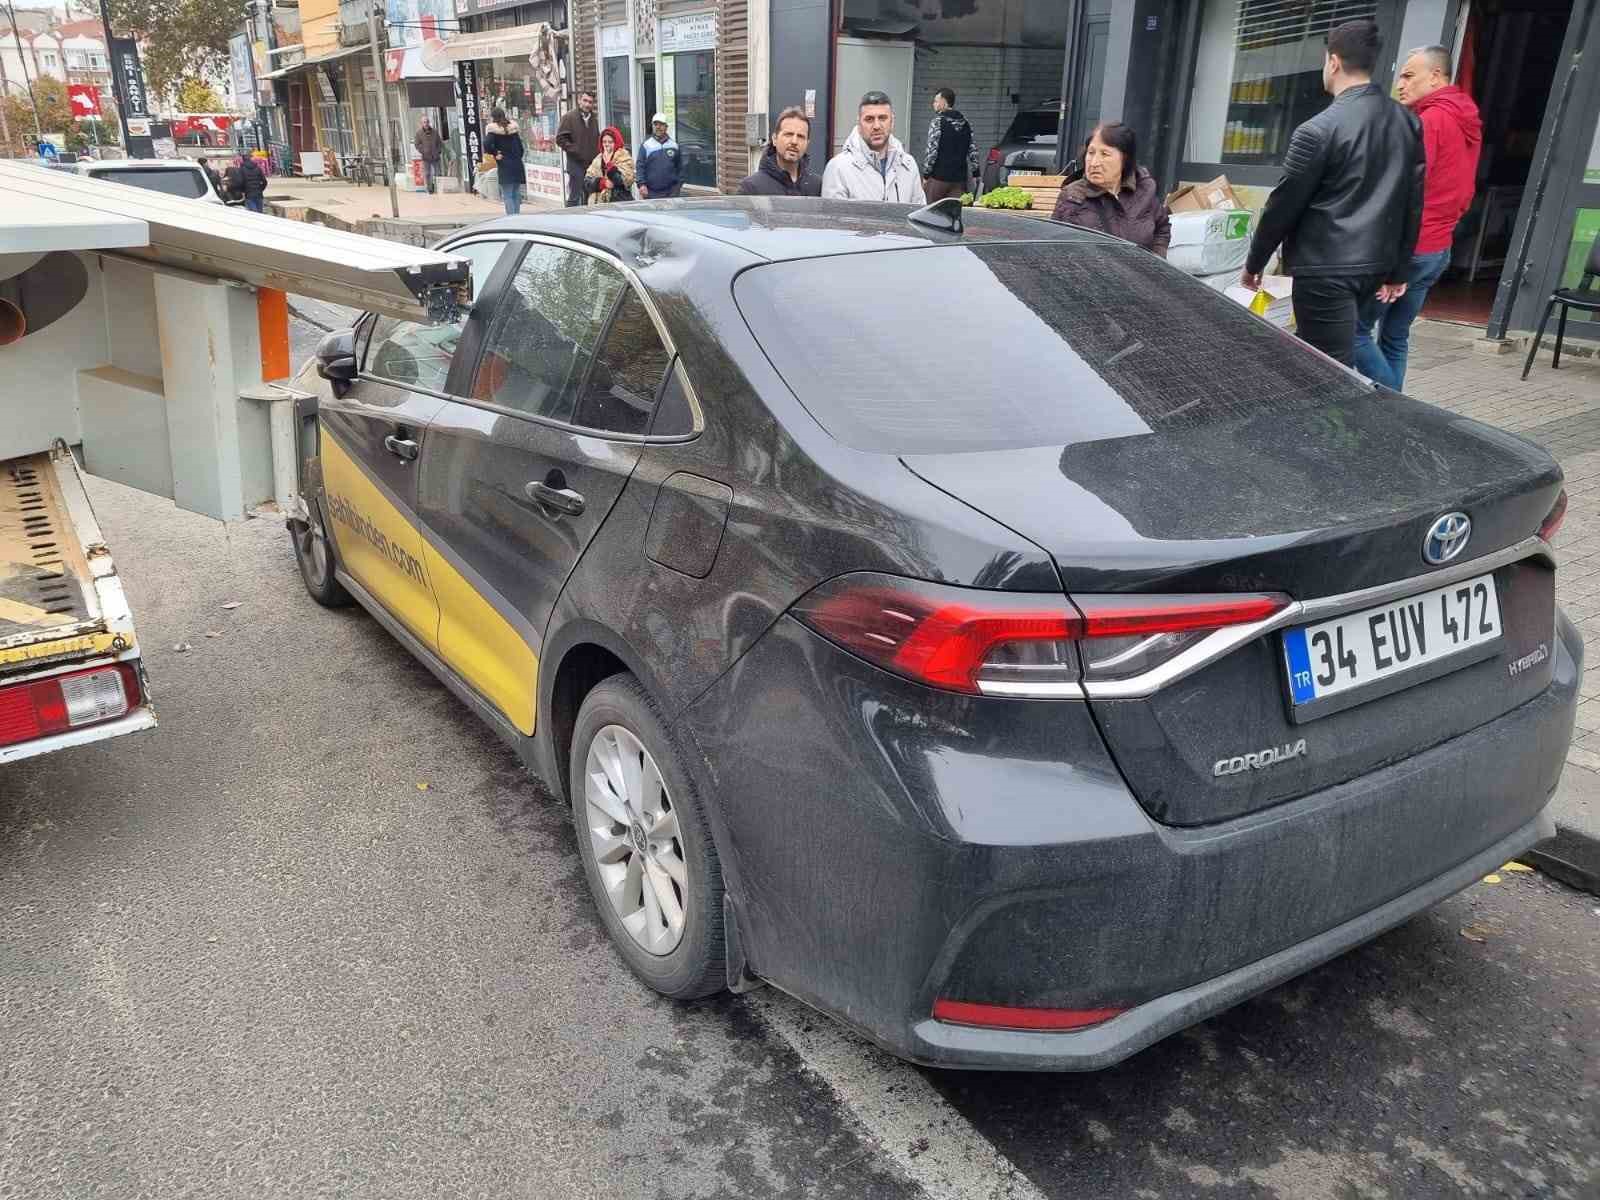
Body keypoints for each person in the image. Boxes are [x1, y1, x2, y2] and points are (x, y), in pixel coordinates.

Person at [1241, 19, 1424, 366]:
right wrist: (1400, 270)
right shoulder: (1408, 122)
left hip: (1326, 269)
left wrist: (1254, 264)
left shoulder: (1318, 130)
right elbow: (1413, 202)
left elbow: (1283, 206)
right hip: (1375, 264)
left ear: (1334, 62)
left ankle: (1369, 417)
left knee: (1326, 369)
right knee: (1345, 353)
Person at [1353, 44, 1482, 390]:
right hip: (1437, 248)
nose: (1400, 84)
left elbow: (1402, 192)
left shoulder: (1431, 121)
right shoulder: (1465, 117)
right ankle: (1394, 410)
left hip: (1410, 250)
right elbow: (1464, 190)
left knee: (1353, 332)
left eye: (1409, 76)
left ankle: (1394, 411)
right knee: (1395, 337)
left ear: (1436, 76)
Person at [1051, 123, 1171, 257]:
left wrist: (1156, 263)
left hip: (1138, 276)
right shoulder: (1073, 197)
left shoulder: (1145, 189)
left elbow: (1162, 229)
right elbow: (1056, 250)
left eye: (1105, 154)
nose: (1094, 162)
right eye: (1091, 153)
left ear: (1124, 158)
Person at [822, 91, 926, 204]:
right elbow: (833, 220)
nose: (876, 126)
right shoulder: (838, 168)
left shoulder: (908, 165)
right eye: (869, 119)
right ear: (859, 124)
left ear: (892, 122)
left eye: (882, 118)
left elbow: (918, 215)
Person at [738, 107, 823, 197]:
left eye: (801, 137)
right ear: (774, 139)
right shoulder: (751, 188)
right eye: (788, 134)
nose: (794, 141)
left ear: (807, 143)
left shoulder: (817, 186)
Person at [921, 87, 976, 203]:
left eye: (936, 101)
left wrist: (926, 175)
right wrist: (977, 173)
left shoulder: (937, 122)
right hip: (959, 180)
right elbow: (973, 150)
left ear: (944, 102)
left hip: (939, 178)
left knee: (931, 213)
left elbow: (932, 151)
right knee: (954, 214)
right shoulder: (966, 123)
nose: (933, 104)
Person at [556, 90, 600, 208]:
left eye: (590, 102)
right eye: (585, 101)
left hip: (591, 164)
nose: (587, 104)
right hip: (575, 163)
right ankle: (570, 219)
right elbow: (560, 139)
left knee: (589, 195)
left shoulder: (594, 119)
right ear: (579, 100)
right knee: (575, 196)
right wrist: (575, 150)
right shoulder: (569, 117)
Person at [483, 108, 526, 215]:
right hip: (517, 164)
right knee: (515, 193)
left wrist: (495, 153)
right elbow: (521, 149)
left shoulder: (493, 131)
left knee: (507, 195)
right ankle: (517, 217)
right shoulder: (514, 130)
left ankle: (511, 219)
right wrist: (516, 158)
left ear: (493, 118)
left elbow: (486, 144)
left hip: (505, 165)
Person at [636, 113, 682, 199]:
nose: (658, 127)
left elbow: (680, 168)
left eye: (661, 124)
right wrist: (641, 185)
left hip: (671, 193)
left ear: (666, 126)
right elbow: (640, 167)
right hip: (651, 193)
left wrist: (677, 187)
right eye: (655, 124)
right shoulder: (646, 145)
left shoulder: (674, 145)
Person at [584, 126, 635, 204]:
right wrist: (601, 183)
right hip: (599, 204)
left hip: (619, 202)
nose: (606, 145)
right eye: (604, 142)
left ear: (616, 142)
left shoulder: (624, 156)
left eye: (610, 142)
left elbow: (625, 181)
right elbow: (587, 183)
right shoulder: (598, 159)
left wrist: (610, 166)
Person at [413, 114, 443, 195]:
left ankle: (438, 188)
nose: (426, 124)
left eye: (427, 122)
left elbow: (440, 143)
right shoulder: (419, 133)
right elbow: (417, 144)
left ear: (429, 122)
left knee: (438, 173)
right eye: (424, 122)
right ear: (421, 123)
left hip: (435, 156)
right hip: (426, 157)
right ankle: (429, 189)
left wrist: (438, 151)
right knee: (427, 174)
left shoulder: (434, 132)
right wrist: (423, 150)